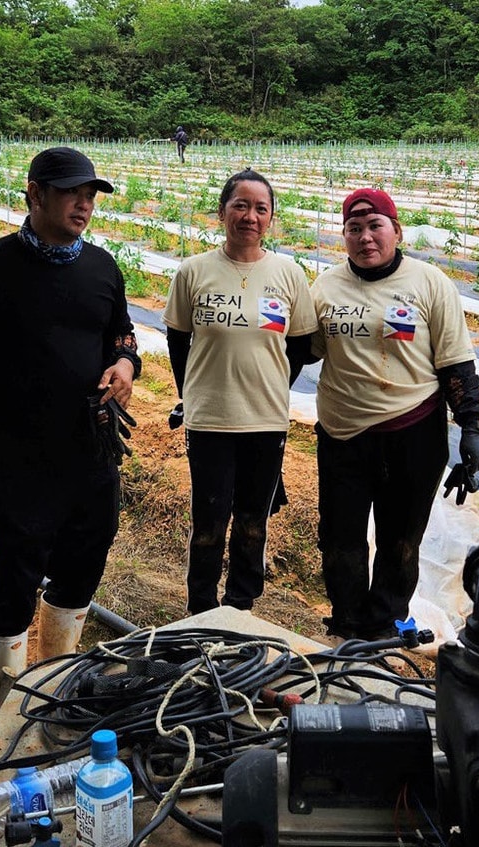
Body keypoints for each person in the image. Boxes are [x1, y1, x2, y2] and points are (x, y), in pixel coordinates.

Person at [0, 146, 140, 682]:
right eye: (71, 193)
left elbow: (123, 333)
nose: (84, 204)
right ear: (35, 193)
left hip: (92, 452)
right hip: (20, 460)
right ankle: (0, 697)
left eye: (90, 195)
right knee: (15, 579)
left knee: (85, 565)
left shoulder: (101, 267)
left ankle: (55, 678)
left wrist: (126, 364)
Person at [310, 187, 479, 641]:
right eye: (354, 229)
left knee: (400, 541)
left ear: (396, 230)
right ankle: (349, 624)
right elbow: (299, 352)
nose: (365, 237)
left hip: (413, 432)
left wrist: (471, 427)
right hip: (343, 433)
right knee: (339, 537)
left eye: (375, 227)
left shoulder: (429, 283)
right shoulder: (325, 287)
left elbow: (455, 362)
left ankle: (385, 626)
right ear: (344, 235)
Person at [162, 169, 317, 614]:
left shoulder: (288, 274)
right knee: (209, 520)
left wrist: (271, 385)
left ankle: (241, 605)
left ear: (271, 219)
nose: (250, 216)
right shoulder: (194, 272)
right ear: (223, 211)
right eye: (240, 205)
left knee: (253, 522)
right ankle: (202, 608)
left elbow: (301, 346)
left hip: (266, 420)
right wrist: (191, 393)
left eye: (260, 208)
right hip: (210, 417)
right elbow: (177, 342)